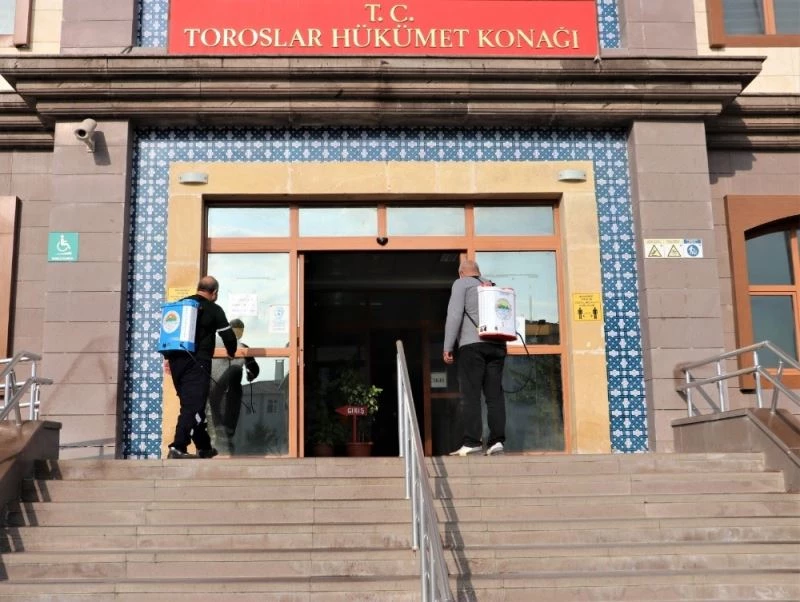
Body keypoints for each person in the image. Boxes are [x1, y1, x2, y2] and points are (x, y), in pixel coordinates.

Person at [166, 275, 238, 459]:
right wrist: (231, 352)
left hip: (176, 362)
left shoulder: (180, 305)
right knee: (193, 406)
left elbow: (169, 331)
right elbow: (229, 336)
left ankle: (204, 446)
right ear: (215, 292)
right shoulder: (213, 309)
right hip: (197, 362)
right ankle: (177, 447)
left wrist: (168, 359)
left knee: (192, 405)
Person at [443, 260, 507, 456]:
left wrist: (448, 346)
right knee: (495, 396)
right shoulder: (492, 286)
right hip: (497, 346)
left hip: (472, 346)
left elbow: (454, 315)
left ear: (461, 273)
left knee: (471, 395)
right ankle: (497, 441)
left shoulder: (461, 283)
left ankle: (472, 442)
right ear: (478, 272)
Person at [207, 318, 260, 454]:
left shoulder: (242, 347)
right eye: (236, 331)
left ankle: (225, 437)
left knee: (226, 417)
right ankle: (221, 437)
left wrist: (251, 374)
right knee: (216, 419)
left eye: (240, 331)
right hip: (216, 387)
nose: (237, 334)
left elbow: (253, 367)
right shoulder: (217, 344)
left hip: (230, 390)